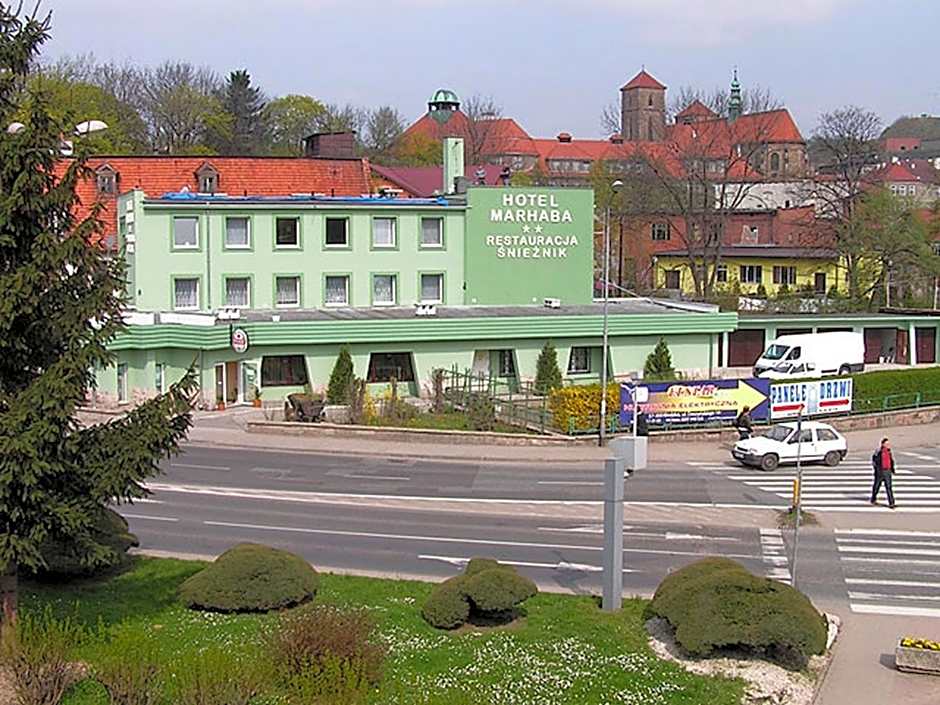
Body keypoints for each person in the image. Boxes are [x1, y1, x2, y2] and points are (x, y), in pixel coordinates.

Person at [870, 437, 897, 509]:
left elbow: (891, 460)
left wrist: (892, 469)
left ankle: (891, 503)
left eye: (888, 444)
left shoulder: (889, 451)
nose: (888, 445)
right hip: (880, 471)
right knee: (877, 486)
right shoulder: (878, 451)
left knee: (889, 487)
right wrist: (877, 469)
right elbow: (874, 461)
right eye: (886, 444)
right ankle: (873, 498)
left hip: (887, 471)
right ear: (883, 444)